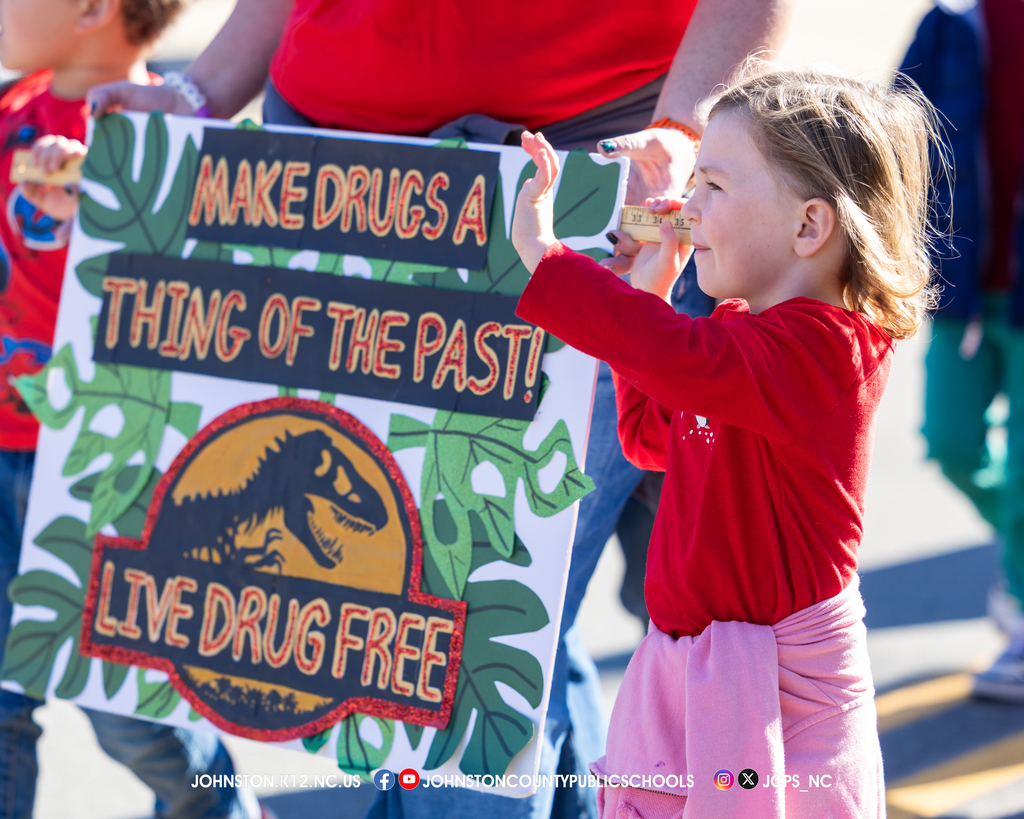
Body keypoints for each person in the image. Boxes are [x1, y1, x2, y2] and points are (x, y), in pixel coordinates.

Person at [88, 1, 791, 815]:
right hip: (321, 188)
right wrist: (200, 92)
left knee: (465, 630)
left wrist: (685, 131)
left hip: (577, 195)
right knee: (458, 624)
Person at [510, 65, 940, 818]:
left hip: (780, 687)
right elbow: (652, 437)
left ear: (809, 226)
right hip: (692, 670)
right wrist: (646, 289)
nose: (683, 208)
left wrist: (551, 264)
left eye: (712, 186)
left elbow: (686, 364)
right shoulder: (742, 332)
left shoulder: (828, 348)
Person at [0, 0, 264, 816]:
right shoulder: (11, 108)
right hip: (4, 444)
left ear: (91, 10)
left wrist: (110, 209)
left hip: (105, 466)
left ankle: (218, 805)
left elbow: (212, 295)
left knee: (132, 717)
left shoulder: (174, 134)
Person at [900, 0, 1024, 702]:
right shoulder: (953, 19)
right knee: (950, 440)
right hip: (965, 287)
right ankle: (1021, 549)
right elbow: (888, 139)